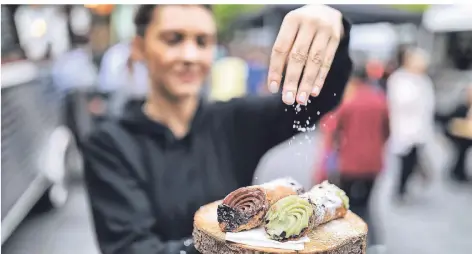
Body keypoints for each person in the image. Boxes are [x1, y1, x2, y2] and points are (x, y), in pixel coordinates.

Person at [84, 4, 352, 254]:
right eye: (173, 39)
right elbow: (131, 247)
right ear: (139, 48)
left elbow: (313, 102)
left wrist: (333, 26)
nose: (190, 55)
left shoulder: (233, 121)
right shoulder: (110, 142)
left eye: (202, 41)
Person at [329, 67, 390, 247]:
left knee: (347, 205)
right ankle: (375, 244)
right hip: (373, 162)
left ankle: (346, 243)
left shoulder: (349, 102)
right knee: (368, 204)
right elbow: (388, 130)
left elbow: (334, 131)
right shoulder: (381, 101)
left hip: (350, 162)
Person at [387, 47, 435, 200]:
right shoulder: (398, 78)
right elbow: (401, 102)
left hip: (420, 129)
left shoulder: (424, 80)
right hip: (404, 129)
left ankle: (406, 187)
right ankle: (400, 190)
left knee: (413, 160)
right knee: (405, 162)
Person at [443, 85, 472, 182]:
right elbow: (451, 123)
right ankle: (458, 172)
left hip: (467, 137)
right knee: (461, 151)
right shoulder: (461, 108)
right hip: (459, 137)